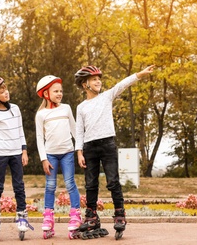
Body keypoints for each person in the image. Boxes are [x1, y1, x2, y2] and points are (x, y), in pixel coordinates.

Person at [74, 65, 155, 239]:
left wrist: (139, 74)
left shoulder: (106, 96)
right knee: (90, 184)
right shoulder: (81, 107)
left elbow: (122, 84)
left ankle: (120, 214)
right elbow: (79, 131)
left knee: (113, 181)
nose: (98, 81)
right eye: (94, 79)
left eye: (99, 78)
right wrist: (79, 152)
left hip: (107, 145)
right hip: (89, 147)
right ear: (84, 84)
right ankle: (91, 217)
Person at [0, 76, 33, 241]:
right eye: (2, 91)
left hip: (16, 153)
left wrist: (24, 151)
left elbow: (20, 131)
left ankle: (22, 216)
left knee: (19, 186)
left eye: (6, 89)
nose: (6, 92)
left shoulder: (15, 109)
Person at [35, 75, 82, 240]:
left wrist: (80, 150)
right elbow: (40, 138)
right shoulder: (41, 115)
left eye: (61, 91)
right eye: (56, 91)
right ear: (46, 93)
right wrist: (43, 159)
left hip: (68, 152)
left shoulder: (66, 108)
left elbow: (75, 130)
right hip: (51, 155)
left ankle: (76, 215)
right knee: (50, 186)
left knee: (70, 184)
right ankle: (48, 217)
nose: (59, 93)